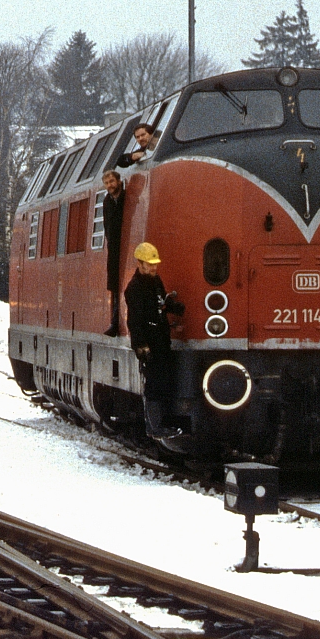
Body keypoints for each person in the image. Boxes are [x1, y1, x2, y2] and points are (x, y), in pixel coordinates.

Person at [124, 243, 189, 452]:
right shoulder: (134, 289)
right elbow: (134, 321)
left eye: (155, 264)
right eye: (149, 264)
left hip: (162, 340)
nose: (153, 268)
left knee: (164, 382)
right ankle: (154, 427)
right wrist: (141, 347)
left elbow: (161, 303)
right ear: (140, 263)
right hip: (150, 343)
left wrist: (173, 308)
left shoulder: (155, 281)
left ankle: (163, 424)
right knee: (153, 385)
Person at [101, 169, 125, 336]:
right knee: (116, 285)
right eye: (107, 183)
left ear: (118, 181)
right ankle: (115, 321)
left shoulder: (126, 196)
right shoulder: (107, 201)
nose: (110, 185)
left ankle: (117, 320)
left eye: (112, 181)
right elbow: (107, 226)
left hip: (125, 244)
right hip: (114, 248)